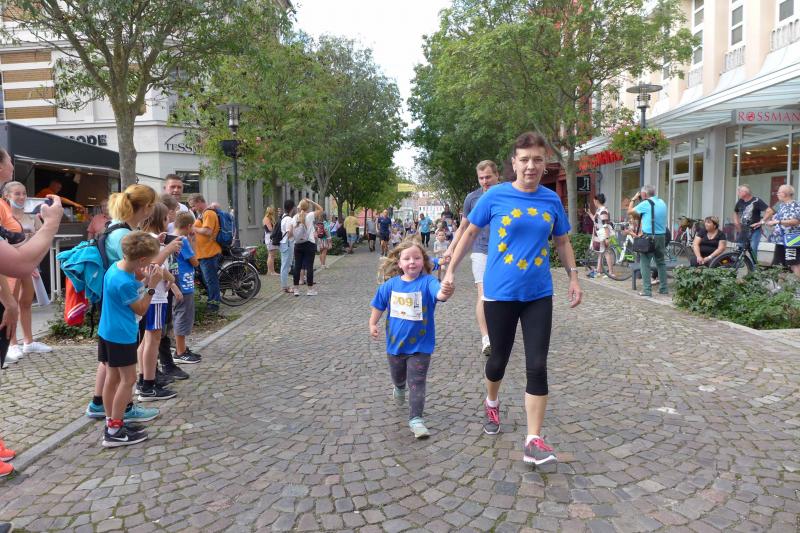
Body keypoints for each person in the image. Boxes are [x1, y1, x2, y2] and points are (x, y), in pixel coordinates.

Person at [443, 132, 582, 466]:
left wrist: (573, 277)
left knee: (537, 364)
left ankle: (533, 439)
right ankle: (492, 402)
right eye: (525, 159)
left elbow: (562, 241)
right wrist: (450, 272)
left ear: (545, 163)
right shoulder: (496, 196)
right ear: (514, 163)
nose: (531, 166)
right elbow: (469, 233)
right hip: (500, 293)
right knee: (498, 361)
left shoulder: (551, 200)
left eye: (538, 159)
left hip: (538, 294)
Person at [85, 184, 174, 422]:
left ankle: (104, 408)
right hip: (123, 313)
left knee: (110, 367)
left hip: (114, 310)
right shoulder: (123, 234)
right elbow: (143, 267)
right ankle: (117, 414)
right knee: (121, 374)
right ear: (146, 207)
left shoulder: (121, 229)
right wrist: (154, 281)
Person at [369, 240, 454, 438]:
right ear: (399, 263)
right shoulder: (390, 285)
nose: (412, 262)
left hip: (421, 346)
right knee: (398, 377)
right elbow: (379, 305)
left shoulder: (428, 282)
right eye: (407, 258)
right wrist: (372, 323)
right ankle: (399, 388)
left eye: (417, 258)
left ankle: (416, 420)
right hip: (395, 346)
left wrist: (445, 291)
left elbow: (439, 294)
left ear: (424, 261)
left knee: (417, 382)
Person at [98, 231, 164, 447]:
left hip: (107, 331)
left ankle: (111, 422)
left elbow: (129, 286)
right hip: (121, 335)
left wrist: (144, 278)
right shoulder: (124, 282)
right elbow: (142, 308)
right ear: (142, 260)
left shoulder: (115, 268)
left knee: (112, 378)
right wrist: (152, 286)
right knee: (128, 380)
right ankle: (115, 431)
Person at [444, 159, 499, 357]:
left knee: (501, 296)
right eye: (481, 178)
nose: (485, 181)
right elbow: (463, 228)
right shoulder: (472, 198)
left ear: (497, 175)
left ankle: (499, 330)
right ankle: (486, 338)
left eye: (488, 177)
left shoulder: (507, 193)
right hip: (481, 250)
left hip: (504, 253)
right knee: (484, 294)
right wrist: (451, 248)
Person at [2, 181, 51, 362]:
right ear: (7, 196)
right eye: (17, 194)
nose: (21, 197)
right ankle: (12, 344)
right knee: (11, 304)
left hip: (28, 265)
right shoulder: (4, 216)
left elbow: (40, 239)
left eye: (23, 193)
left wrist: (33, 263)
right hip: (10, 265)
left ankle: (28, 341)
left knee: (26, 301)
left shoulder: (31, 216)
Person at [136, 203, 180, 401]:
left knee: (147, 340)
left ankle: (143, 380)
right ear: (159, 220)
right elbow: (154, 266)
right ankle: (148, 384)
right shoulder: (152, 240)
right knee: (152, 341)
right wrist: (171, 277)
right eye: (166, 218)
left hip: (153, 295)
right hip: (155, 297)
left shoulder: (149, 238)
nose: (168, 220)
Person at [171, 212, 202, 364]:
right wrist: (193, 241)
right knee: (183, 316)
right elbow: (195, 262)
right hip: (184, 284)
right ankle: (180, 352)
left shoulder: (171, 238)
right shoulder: (183, 240)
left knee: (179, 314)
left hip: (176, 281)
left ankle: (181, 348)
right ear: (189, 226)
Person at [628, 185, 669, 297]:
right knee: (661, 262)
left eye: (641, 194)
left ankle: (647, 290)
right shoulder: (662, 202)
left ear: (644, 194)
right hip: (662, 236)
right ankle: (664, 288)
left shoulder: (646, 203)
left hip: (649, 237)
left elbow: (630, 211)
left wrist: (633, 199)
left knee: (645, 263)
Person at [188, 194, 221, 314]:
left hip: (209, 252)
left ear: (199, 202)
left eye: (193, 205)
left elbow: (207, 231)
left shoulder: (208, 213)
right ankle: (212, 301)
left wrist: (193, 228)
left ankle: (214, 304)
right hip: (203, 253)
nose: (193, 208)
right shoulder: (202, 214)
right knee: (207, 280)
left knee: (211, 280)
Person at [765, 184, 800, 279]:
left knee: (794, 264)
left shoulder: (795, 205)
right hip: (780, 241)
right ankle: (781, 286)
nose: (777, 194)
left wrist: (778, 222)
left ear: (784, 194)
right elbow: (777, 220)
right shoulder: (782, 205)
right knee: (779, 266)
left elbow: (796, 221)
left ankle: (797, 286)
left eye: (779, 192)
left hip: (791, 240)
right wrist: (767, 222)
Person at [293, 198, 324, 296]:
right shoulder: (310, 215)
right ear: (308, 207)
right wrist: (311, 201)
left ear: (299, 207)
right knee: (309, 267)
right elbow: (321, 209)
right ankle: (310, 290)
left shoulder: (295, 217)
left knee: (297, 266)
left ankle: (296, 289)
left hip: (298, 244)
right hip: (309, 243)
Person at [733, 185, 768, 264]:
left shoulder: (757, 200)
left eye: (739, 191)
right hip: (743, 230)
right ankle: (735, 266)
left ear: (745, 192)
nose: (738, 193)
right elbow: (735, 211)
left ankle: (754, 268)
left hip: (755, 230)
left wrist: (761, 222)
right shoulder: (740, 201)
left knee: (753, 249)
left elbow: (769, 211)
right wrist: (736, 222)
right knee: (739, 248)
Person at [589, 194, 614, 279]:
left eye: (594, 201)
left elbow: (605, 225)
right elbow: (595, 221)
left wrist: (607, 238)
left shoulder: (602, 210)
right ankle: (598, 271)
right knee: (601, 252)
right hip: (599, 234)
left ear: (597, 201)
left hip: (602, 234)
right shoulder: (600, 210)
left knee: (606, 252)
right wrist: (589, 213)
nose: (593, 202)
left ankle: (610, 272)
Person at [279, 199, 296, 294]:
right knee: (286, 265)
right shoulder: (289, 219)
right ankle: (284, 287)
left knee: (284, 265)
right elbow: (289, 233)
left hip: (283, 243)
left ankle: (284, 285)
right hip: (288, 243)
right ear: (292, 208)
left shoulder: (283, 217)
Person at [262, 206, 279, 276]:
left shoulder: (267, 218)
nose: (274, 212)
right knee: (271, 255)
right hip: (270, 237)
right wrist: (276, 227)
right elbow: (270, 229)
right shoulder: (267, 219)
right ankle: (272, 271)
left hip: (269, 237)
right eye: (273, 211)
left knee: (271, 255)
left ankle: (270, 271)